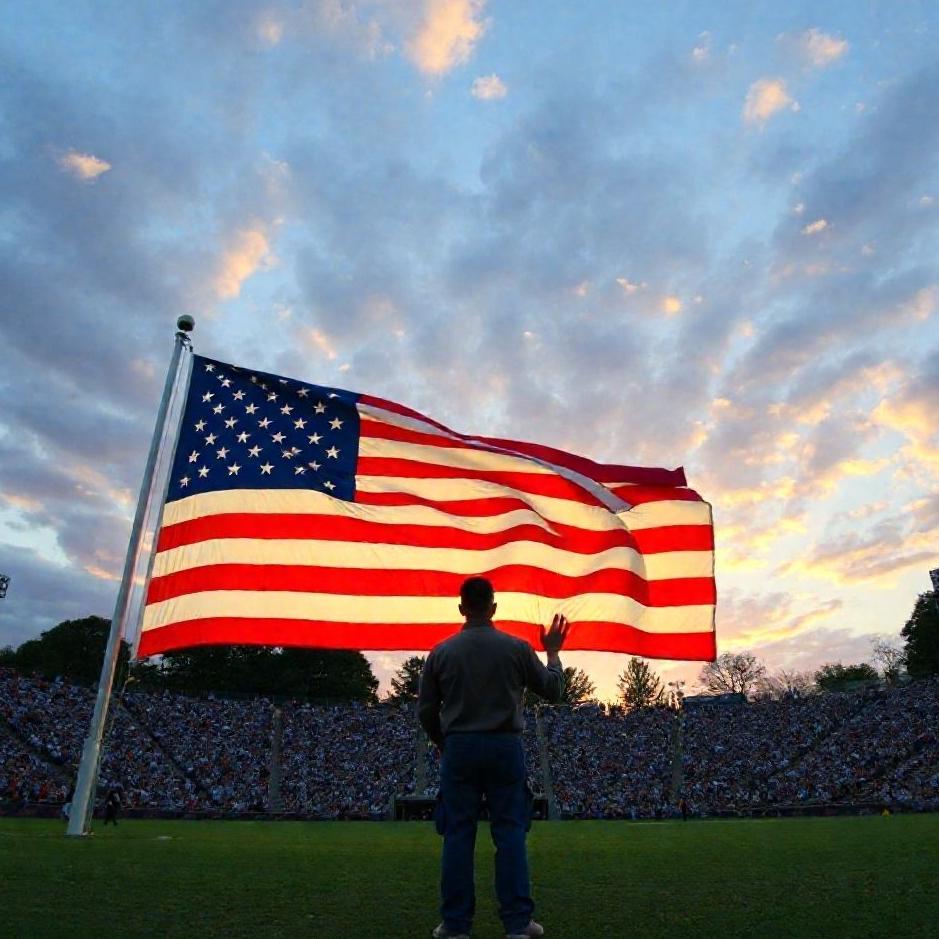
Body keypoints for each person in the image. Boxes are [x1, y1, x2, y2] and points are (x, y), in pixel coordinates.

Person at [418, 577, 569, 939]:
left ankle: (455, 925)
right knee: (511, 834)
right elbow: (554, 691)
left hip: (459, 747)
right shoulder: (515, 648)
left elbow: (425, 710)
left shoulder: (442, 652)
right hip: (504, 746)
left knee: (457, 836)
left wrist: (444, 742)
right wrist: (552, 652)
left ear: (461, 608)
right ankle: (517, 924)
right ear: (494, 607)